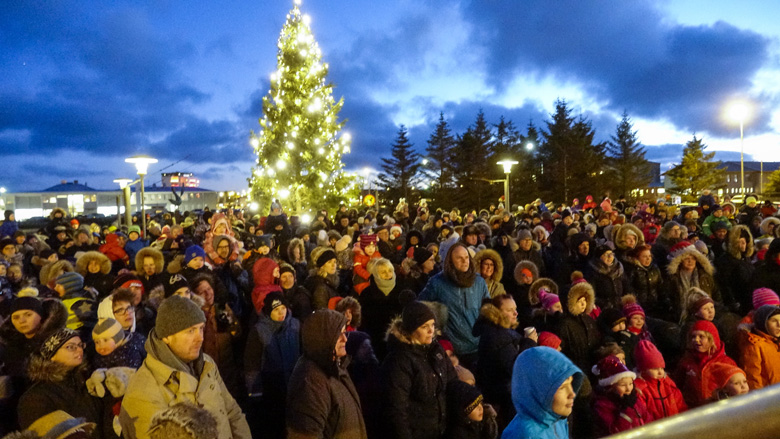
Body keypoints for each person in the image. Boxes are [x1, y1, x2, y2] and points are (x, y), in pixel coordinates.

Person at [119, 295, 250, 439]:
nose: (200, 337)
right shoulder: (143, 393)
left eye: (201, 329)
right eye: (191, 331)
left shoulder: (207, 364)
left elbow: (232, 412)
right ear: (166, 336)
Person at [286, 309, 367, 438]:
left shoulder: (335, 365)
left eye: (344, 333)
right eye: (338, 335)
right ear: (323, 338)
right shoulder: (311, 382)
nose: (345, 339)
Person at [382, 301, 457, 439]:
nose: (431, 331)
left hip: (441, 430)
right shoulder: (399, 360)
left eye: (433, 325)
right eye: (424, 327)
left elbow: (453, 384)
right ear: (411, 330)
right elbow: (397, 410)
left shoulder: (436, 350)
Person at [18, 328, 108, 437]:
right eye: (70, 347)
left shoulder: (88, 381)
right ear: (52, 355)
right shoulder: (36, 398)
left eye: (80, 345)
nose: (79, 350)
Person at [419, 242, 489, 366]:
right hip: (451, 349)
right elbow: (421, 308)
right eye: (459, 258)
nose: (464, 261)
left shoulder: (479, 281)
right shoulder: (437, 283)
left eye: (466, 257)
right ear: (450, 261)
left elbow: (489, 310)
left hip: (478, 346)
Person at [244, 291, 301, 439]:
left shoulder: (295, 325)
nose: (281, 313)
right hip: (272, 386)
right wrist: (255, 392)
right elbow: (252, 364)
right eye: (276, 310)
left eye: (283, 308)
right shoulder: (259, 330)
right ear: (269, 312)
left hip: (294, 383)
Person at [501, 347, 583, 439]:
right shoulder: (527, 435)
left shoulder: (555, 418)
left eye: (570, 384)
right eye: (562, 388)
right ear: (539, 392)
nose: (572, 394)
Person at [472, 294, 522, 430]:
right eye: (509, 310)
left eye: (515, 309)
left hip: (500, 395)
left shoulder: (497, 331)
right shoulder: (498, 335)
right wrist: (529, 343)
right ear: (497, 313)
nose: (515, 313)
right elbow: (516, 367)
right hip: (502, 398)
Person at [674, 320, 737, 408]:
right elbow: (678, 385)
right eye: (693, 336)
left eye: (701, 336)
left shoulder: (725, 363)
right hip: (694, 409)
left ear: (711, 339)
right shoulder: (687, 362)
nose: (696, 340)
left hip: (719, 409)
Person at [592, 355, 652, 436]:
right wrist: (627, 409)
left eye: (630, 384)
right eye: (623, 385)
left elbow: (648, 419)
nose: (628, 388)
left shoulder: (634, 399)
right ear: (611, 387)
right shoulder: (603, 406)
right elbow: (616, 432)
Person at [632, 340, 687, 421]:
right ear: (643, 369)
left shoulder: (668, 384)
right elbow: (643, 415)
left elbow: (681, 405)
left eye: (661, 368)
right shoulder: (640, 390)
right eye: (655, 369)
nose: (660, 372)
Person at [738, 304, 780, 390]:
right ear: (763, 322)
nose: (779, 325)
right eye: (774, 321)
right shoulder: (754, 345)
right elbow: (753, 378)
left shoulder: (776, 341)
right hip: (770, 397)